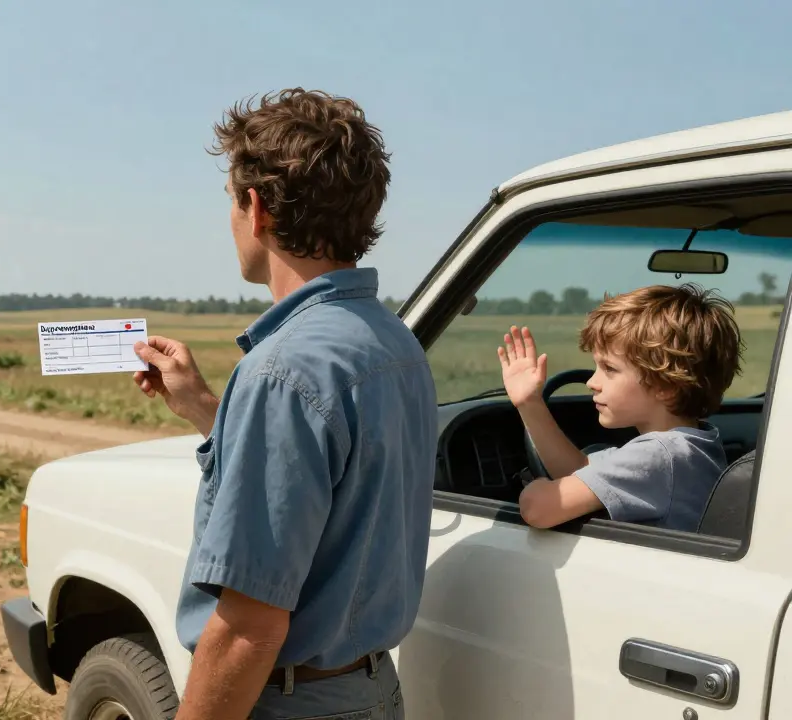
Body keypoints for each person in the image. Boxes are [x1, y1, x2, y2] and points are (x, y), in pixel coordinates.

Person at [130, 88, 438, 720]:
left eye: (231, 204)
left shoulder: (282, 370)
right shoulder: (392, 340)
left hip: (295, 702)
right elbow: (327, 489)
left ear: (257, 206)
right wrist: (206, 409)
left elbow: (249, 626)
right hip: (372, 690)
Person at [499, 283, 744, 531]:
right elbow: (579, 471)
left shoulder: (659, 456)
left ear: (667, 385)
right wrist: (529, 403)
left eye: (610, 369)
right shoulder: (692, 446)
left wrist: (534, 486)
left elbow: (538, 509)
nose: (592, 382)